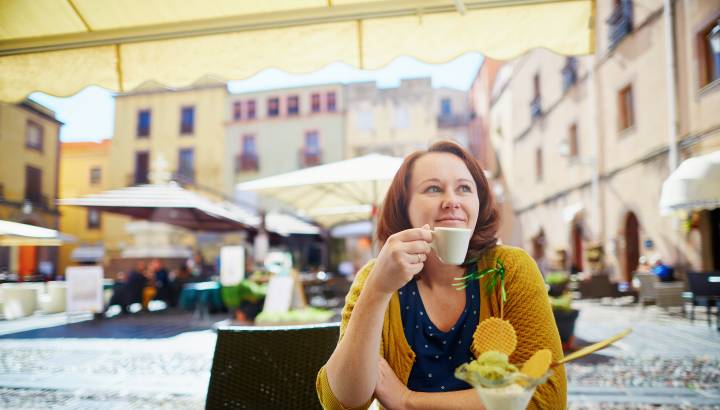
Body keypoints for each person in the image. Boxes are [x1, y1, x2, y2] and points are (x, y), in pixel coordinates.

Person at [316, 141, 566, 409]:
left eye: (464, 189)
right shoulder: (377, 277)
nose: (452, 201)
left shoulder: (511, 268)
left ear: (478, 203)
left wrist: (408, 400)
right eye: (433, 188)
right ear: (405, 207)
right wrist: (377, 290)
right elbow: (341, 402)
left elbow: (545, 398)